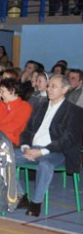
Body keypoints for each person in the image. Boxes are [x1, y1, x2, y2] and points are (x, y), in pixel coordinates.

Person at [13, 75, 83, 216]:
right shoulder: (40, 106)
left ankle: (36, 202)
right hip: (33, 148)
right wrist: (26, 147)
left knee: (45, 164)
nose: (49, 89)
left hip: (58, 152)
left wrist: (42, 151)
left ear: (65, 89)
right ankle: (20, 196)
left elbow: (68, 140)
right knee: (3, 157)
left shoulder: (75, 111)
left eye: (54, 86)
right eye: (49, 85)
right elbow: (26, 131)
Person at [0, 79, 32, 146]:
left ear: (12, 91)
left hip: (10, 141)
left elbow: (11, 127)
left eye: (2, 91)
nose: (0, 93)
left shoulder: (24, 106)